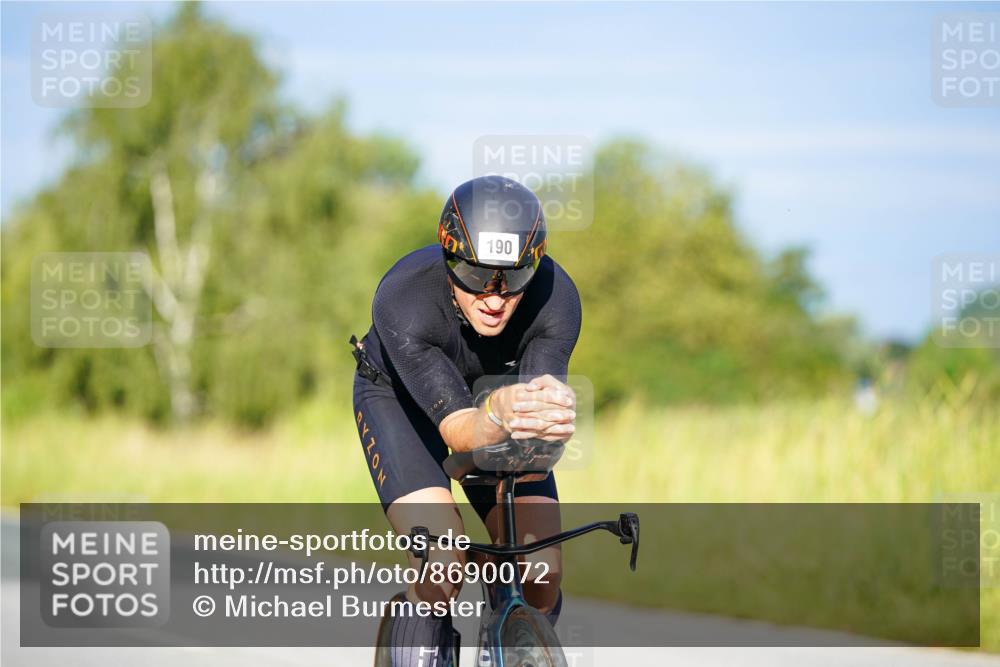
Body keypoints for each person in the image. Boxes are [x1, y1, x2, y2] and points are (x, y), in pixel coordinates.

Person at [351, 175, 581, 666]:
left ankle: (508, 631)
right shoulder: (403, 297)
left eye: (513, 277)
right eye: (478, 277)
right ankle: (415, 641)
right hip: (404, 405)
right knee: (444, 561)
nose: (496, 298)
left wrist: (548, 425)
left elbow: (534, 422)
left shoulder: (557, 299)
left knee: (540, 575)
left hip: (498, 408)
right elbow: (459, 432)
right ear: (450, 258)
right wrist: (500, 412)